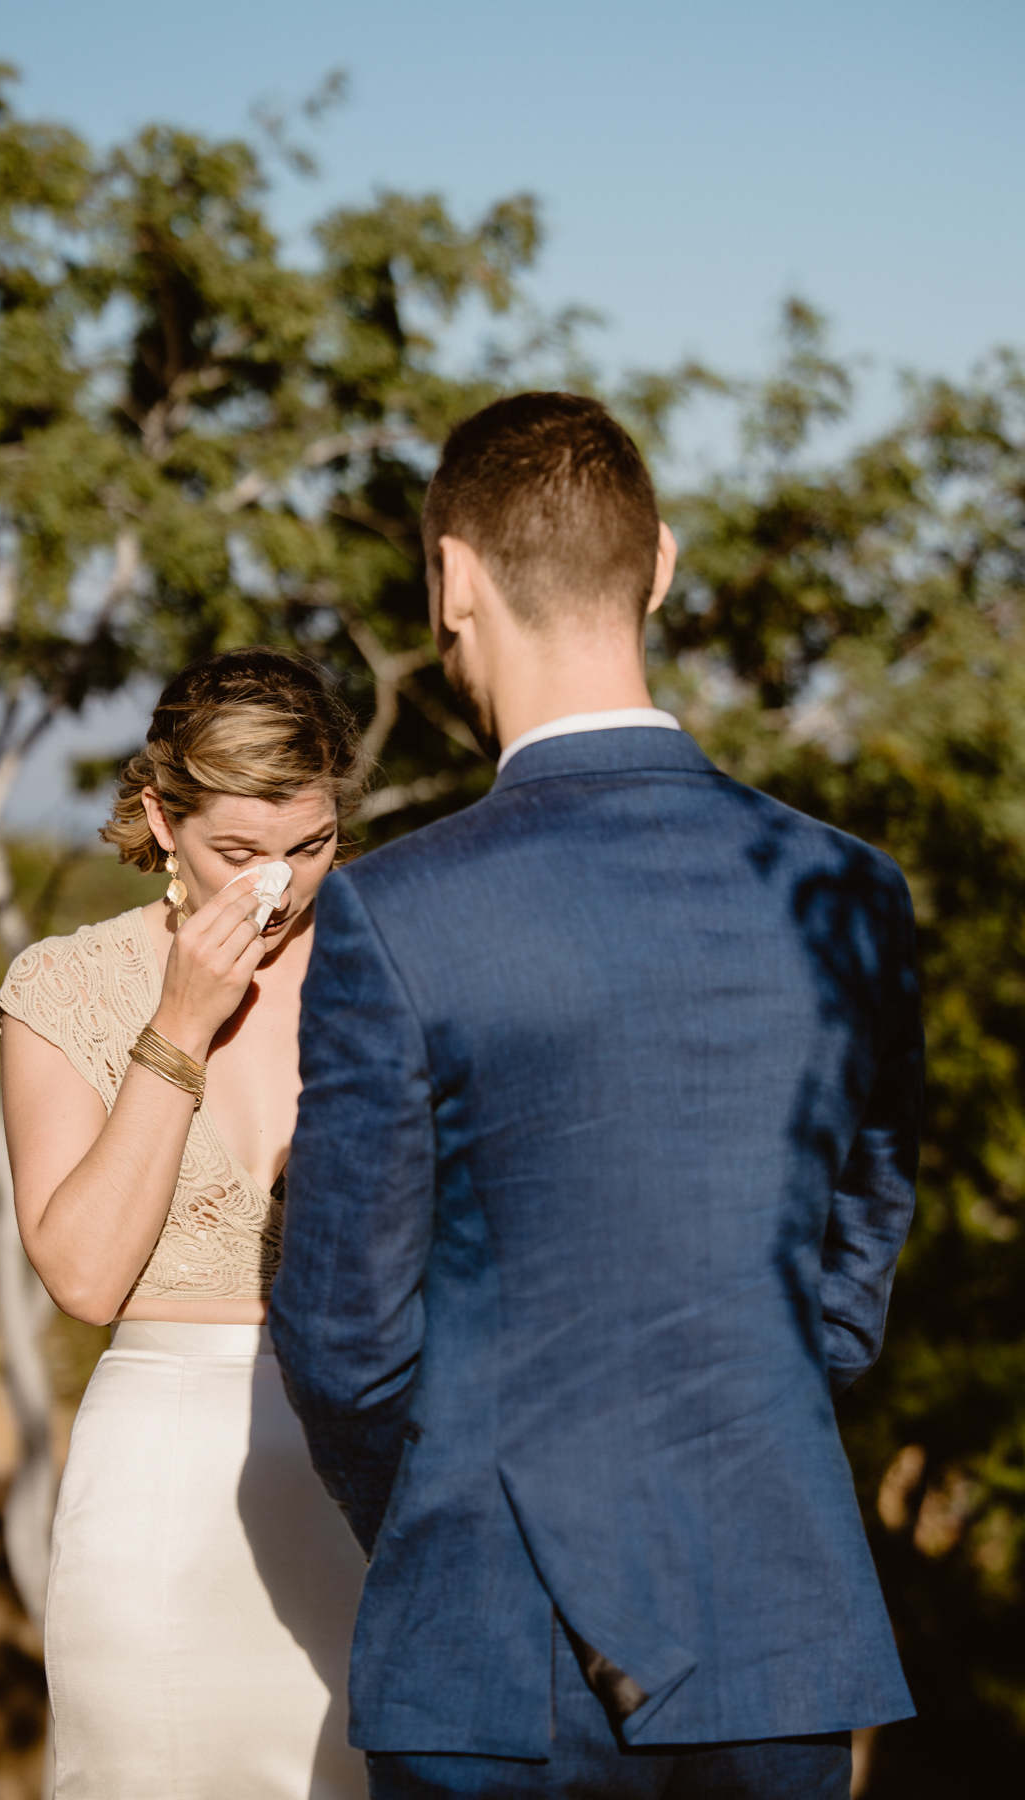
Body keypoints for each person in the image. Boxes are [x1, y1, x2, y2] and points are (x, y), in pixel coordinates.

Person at [274, 391, 918, 1798]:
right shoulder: (855, 895)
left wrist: (458, 1509)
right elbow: (860, 1242)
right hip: (772, 1624)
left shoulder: (394, 914)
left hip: (494, 1659)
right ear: (664, 564)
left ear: (452, 577)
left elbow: (342, 1337)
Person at [0, 646, 372, 1798]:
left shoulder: (398, 965)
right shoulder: (67, 986)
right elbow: (86, 1279)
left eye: (309, 847)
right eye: (238, 854)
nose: (279, 887)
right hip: (162, 1493)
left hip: (372, 1469)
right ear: (161, 818)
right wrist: (179, 1029)